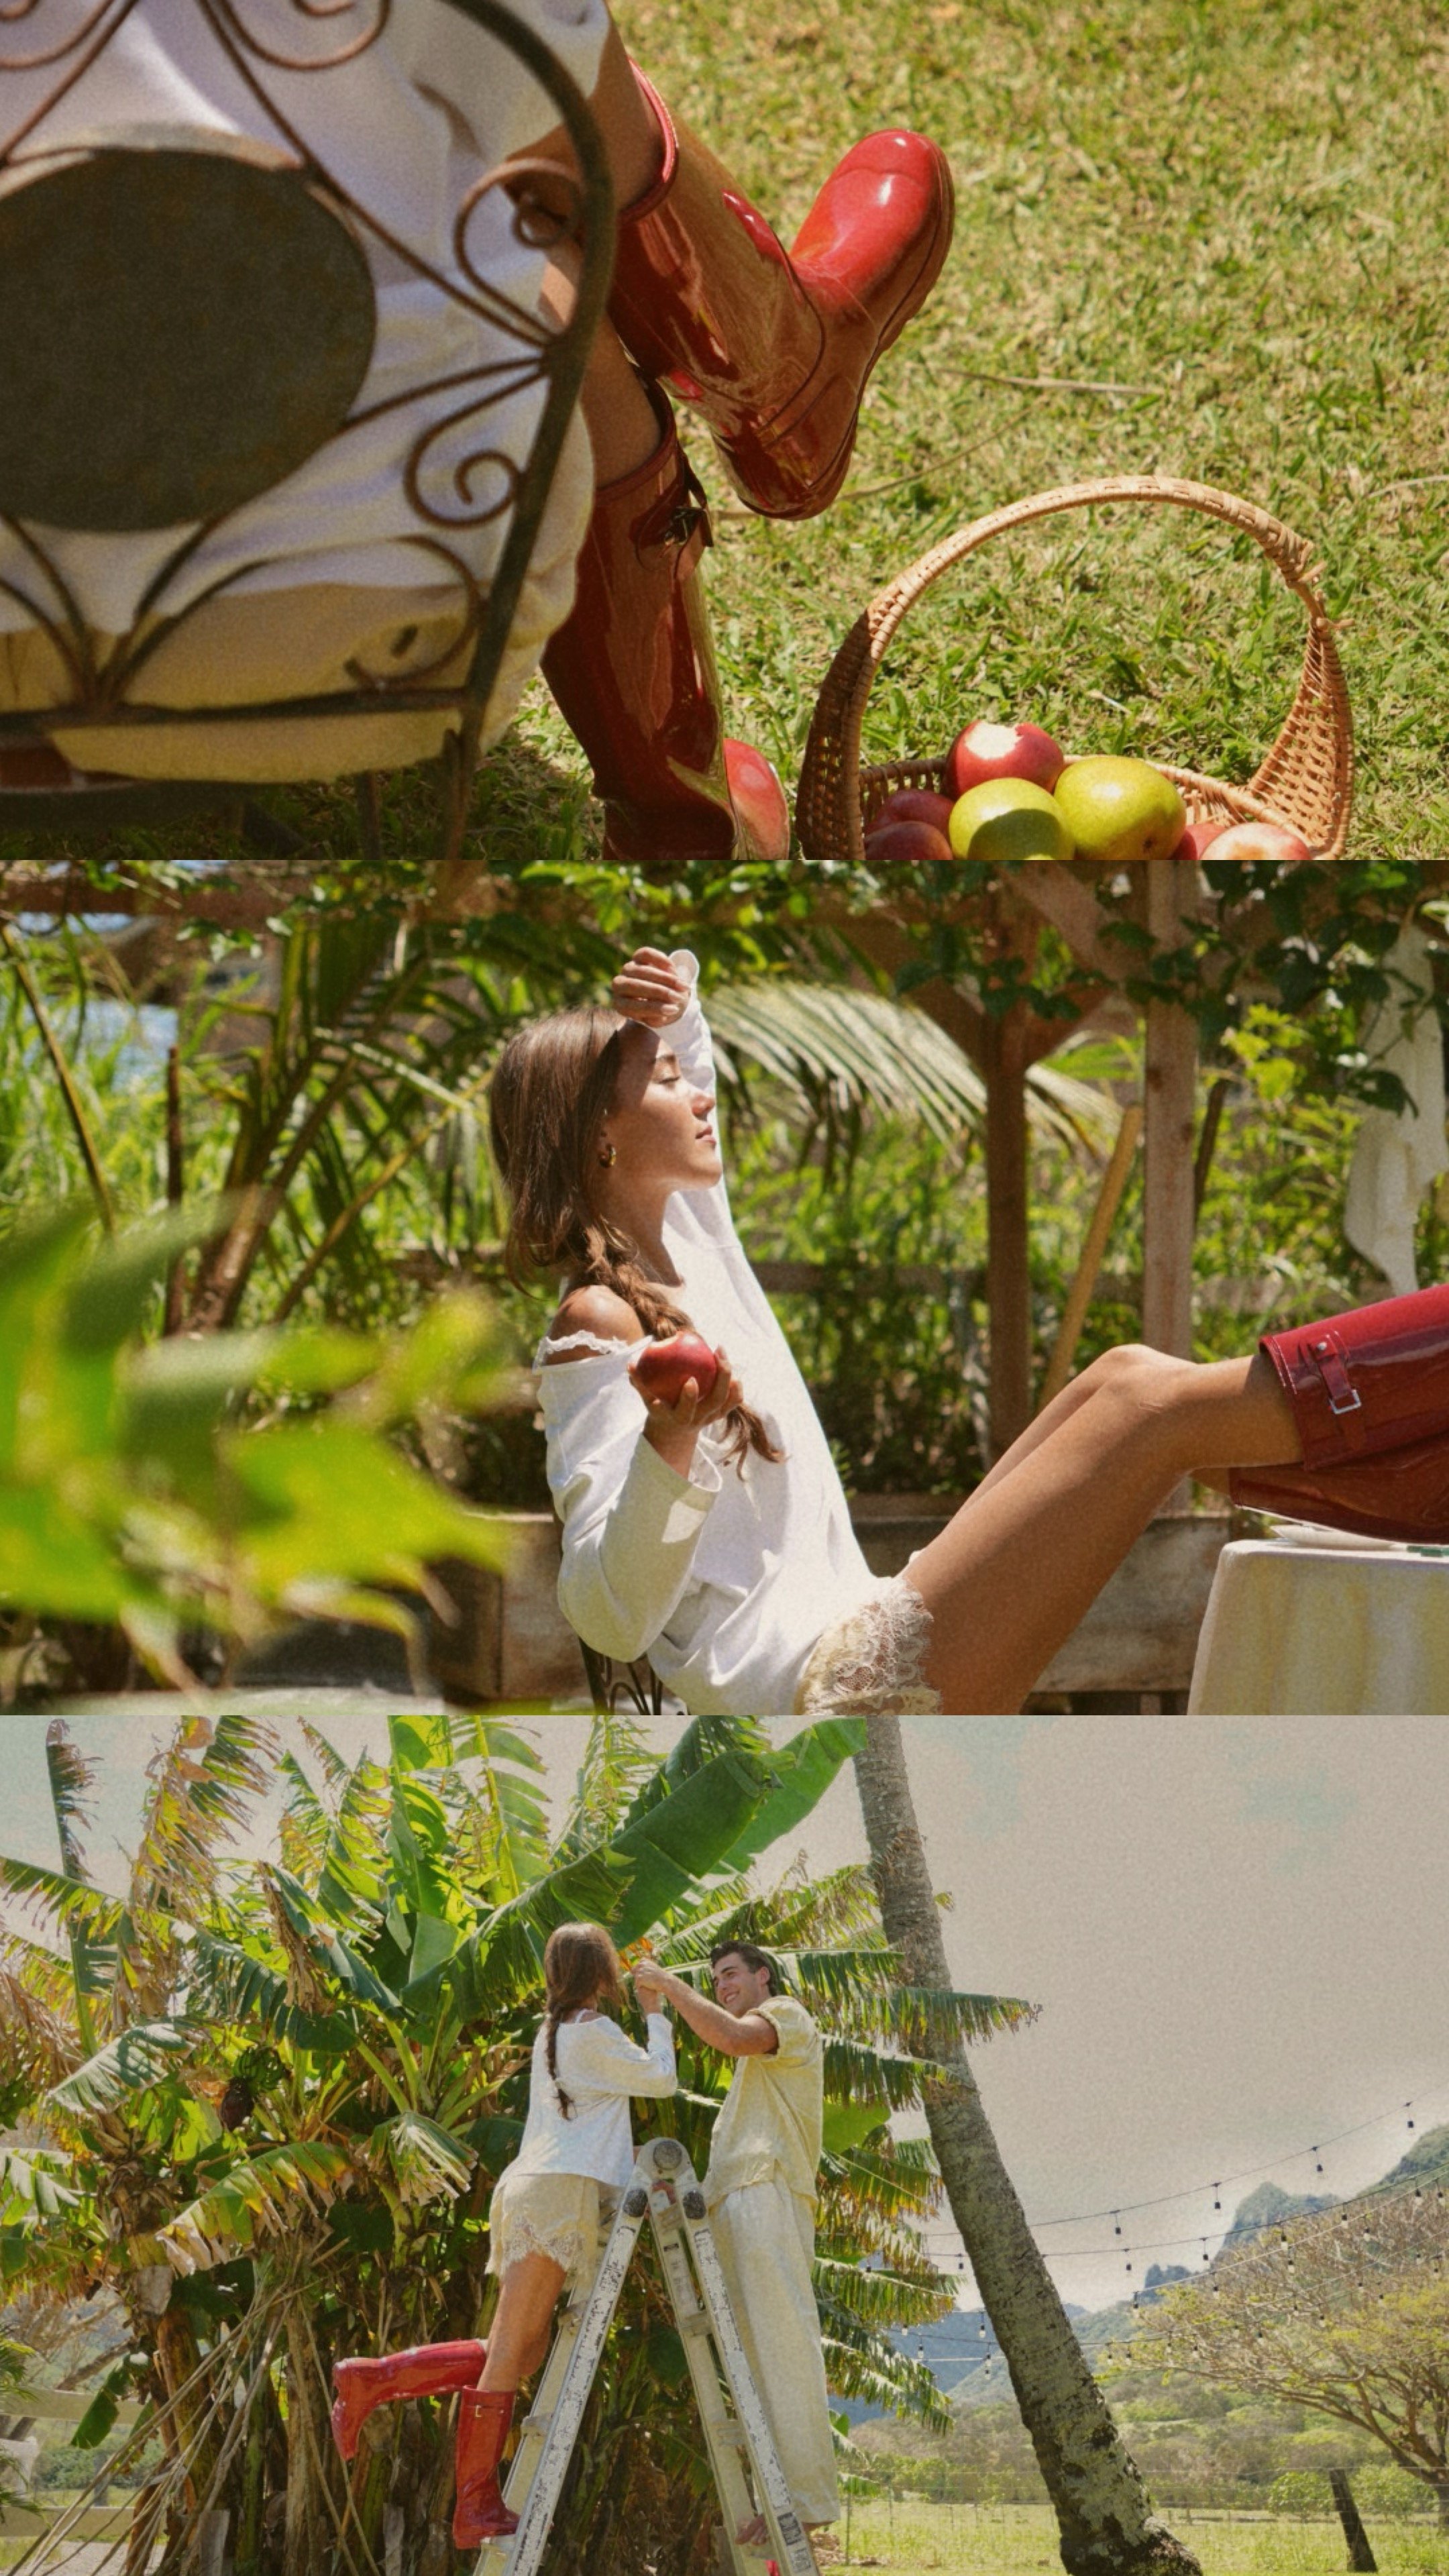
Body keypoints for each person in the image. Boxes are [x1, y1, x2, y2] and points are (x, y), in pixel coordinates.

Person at [0, 0, 952, 859]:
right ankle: (783, 388)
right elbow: (587, 153)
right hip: (373, 627)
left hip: (20, 673)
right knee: (531, 226)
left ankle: (790, 385)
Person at [487, 941, 1449, 1717]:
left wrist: (676, 1004)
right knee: (1147, 1412)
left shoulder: (687, 1248)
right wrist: (672, 1434)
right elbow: (607, 1614)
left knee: (1121, 1374)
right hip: (817, 1695)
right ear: (600, 1139)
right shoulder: (598, 1321)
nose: (700, 1096)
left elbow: (688, 1067)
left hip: (849, 1626)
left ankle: (1422, 1479)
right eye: (662, 1083)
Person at [328, 1919, 676, 2545]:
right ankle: (473, 2501)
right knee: (513, 2352)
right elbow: (661, 2079)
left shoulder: (553, 2033)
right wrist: (658, 2014)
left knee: (519, 2351)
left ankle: (372, 2380)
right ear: (600, 1975)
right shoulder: (592, 2030)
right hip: (555, 2195)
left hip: (539, 2189)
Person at [632, 1941, 837, 2558]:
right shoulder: (750, 2088)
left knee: (781, 2344)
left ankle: (807, 2503)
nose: (723, 1984)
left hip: (766, 2194)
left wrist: (669, 1986)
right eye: (715, 1977)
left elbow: (730, 2037)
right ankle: (779, 2495)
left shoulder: (788, 2017)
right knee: (748, 2359)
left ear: (761, 1977)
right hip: (735, 2205)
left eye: (731, 1974)